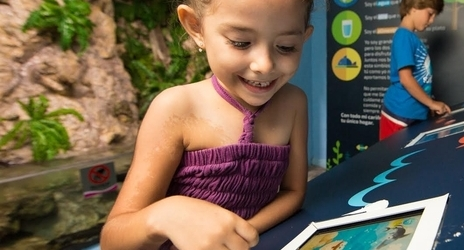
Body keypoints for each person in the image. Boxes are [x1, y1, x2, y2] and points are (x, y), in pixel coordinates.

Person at [100, 0, 314, 249]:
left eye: (286, 47)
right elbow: (112, 239)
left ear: (304, 38)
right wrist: (165, 214)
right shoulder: (175, 108)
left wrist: (239, 236)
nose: (264, 65)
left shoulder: (294, 103)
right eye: (240, 42)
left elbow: (293, 192)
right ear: (195, 27)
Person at [379, 0, 451, 141]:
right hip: (399, 115)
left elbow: (419, 78)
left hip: (413, 114)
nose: (431, 20)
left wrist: (428, 103)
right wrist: (432, 103)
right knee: (391, 160)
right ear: (414, 7)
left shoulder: (411, 38)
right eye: (430, 14)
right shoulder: (403, 36)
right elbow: (406, 79)